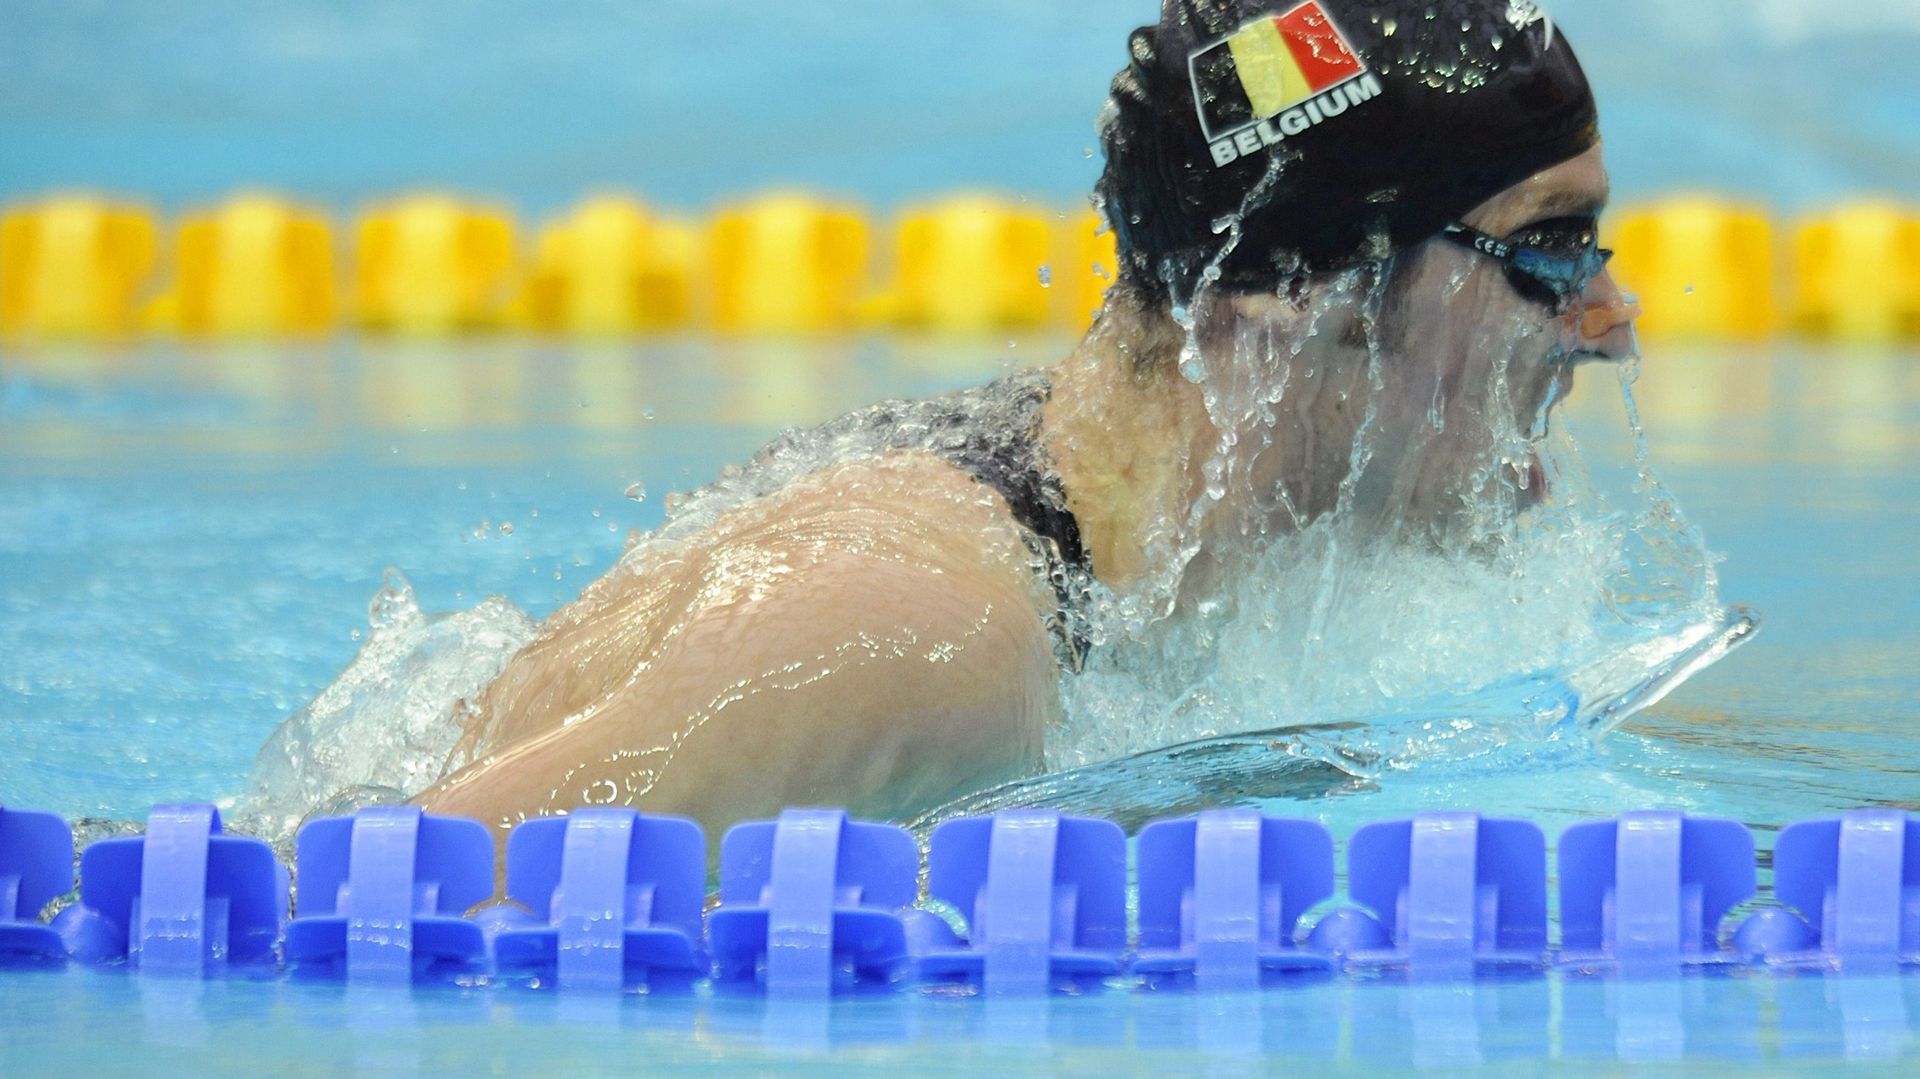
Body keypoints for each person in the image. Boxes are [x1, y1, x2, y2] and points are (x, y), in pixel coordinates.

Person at [415, 0, 1642, 841]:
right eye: (1546, 245)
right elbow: (345, 914)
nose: (1613, 316)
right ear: (1285, 293)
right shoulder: (913, 637)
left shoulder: (1163, 550)